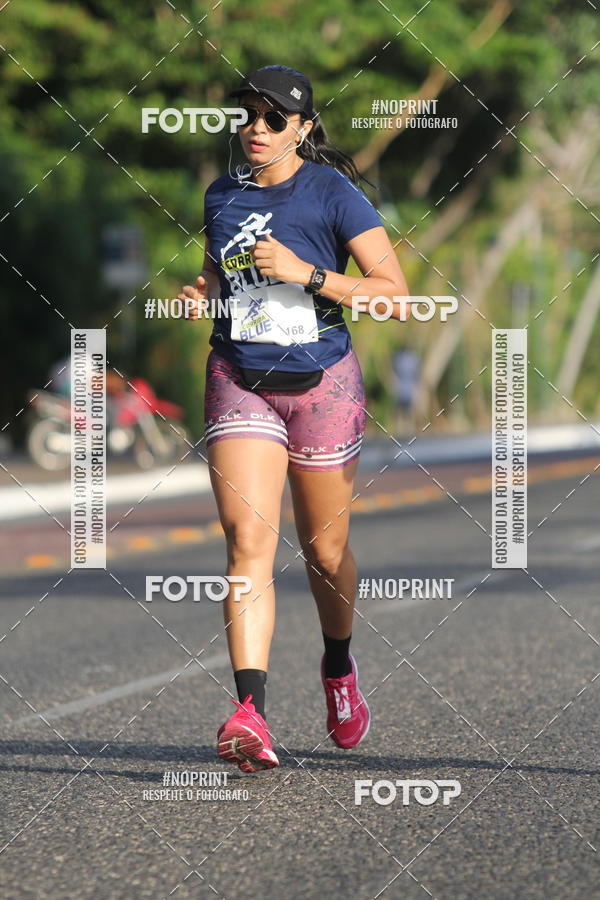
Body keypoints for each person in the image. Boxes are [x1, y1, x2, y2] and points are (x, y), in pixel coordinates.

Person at [178, 65, 409, 773]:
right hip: (239, 376)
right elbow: (221, 271)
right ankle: (250, 712)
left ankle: (338, 668)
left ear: (303, 129)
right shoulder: (222, 194)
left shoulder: (334, 193)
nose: (255, 127)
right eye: (247, 113)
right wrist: (205, 292)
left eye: (273, 117)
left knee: (324, 553)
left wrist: (306, 274)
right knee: (248, 540)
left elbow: (395, 296)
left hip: (322, 386)